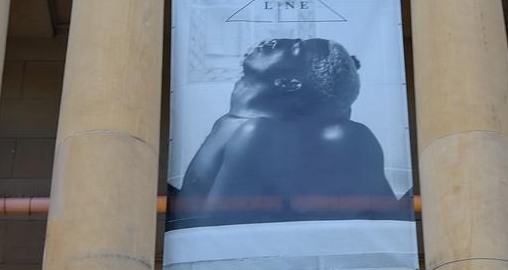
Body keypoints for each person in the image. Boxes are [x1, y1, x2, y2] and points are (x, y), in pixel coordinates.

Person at [167, 36, 408, 230]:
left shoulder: (258, 134)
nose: (274, 41)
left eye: (294, 49)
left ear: (289, 83)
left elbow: (215, 233)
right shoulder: (237, 124)